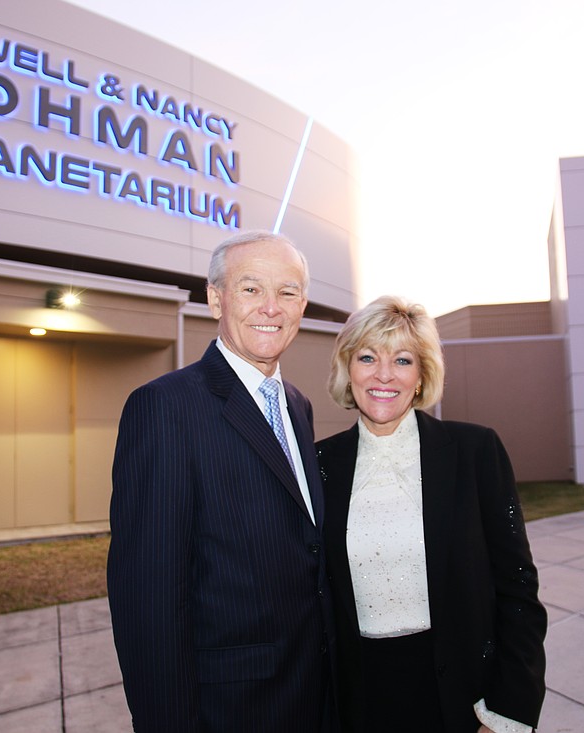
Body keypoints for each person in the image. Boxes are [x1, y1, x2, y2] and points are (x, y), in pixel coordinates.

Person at [107, 230, 335, 733]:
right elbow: (148, 595)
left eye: (288, 292)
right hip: (230, 708)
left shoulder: (298, 405)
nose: (270, 308)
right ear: (216, 299)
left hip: (312, 694)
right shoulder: (164, 407)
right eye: (251, 289)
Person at [316, 295, 547, 733]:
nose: (384, 375)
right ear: (348, 369)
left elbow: (518, 589)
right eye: (368, 357)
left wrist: (506, 713)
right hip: (356, 703)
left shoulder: (475, 452)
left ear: (421, 376)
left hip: (461, 699)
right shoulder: (319, 465)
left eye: (402, 360)